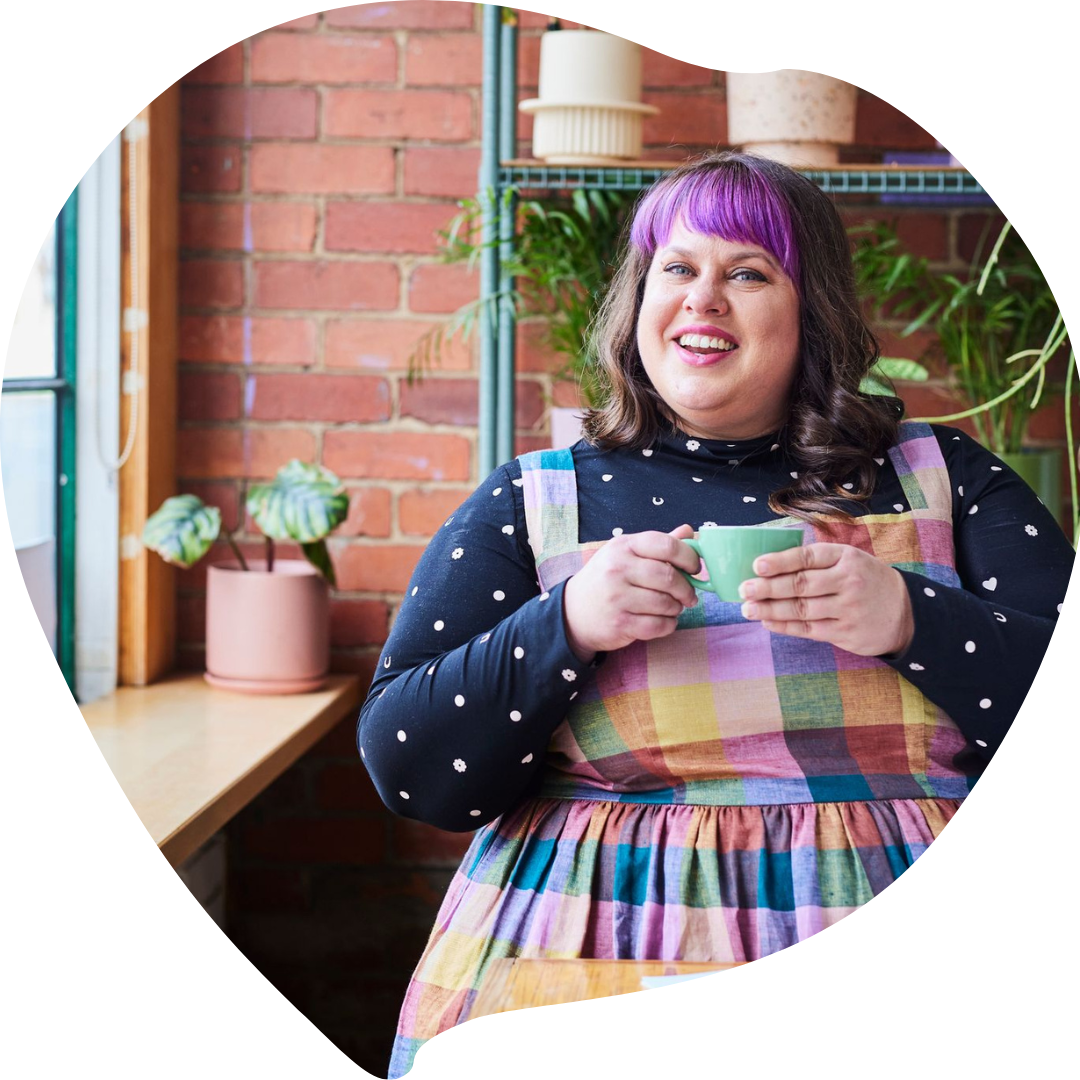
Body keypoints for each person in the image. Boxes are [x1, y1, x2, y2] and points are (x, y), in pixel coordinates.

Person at [358, 151, 1073, 1080]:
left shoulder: (944, 475)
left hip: (910, 966)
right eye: (677, 269)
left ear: (809, 311)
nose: (704, 298)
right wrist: (565, 625)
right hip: (592, 970)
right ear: (639, 301)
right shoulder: (533, 502)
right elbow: (411, 770)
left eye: (748, 271)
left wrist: (911, 618)